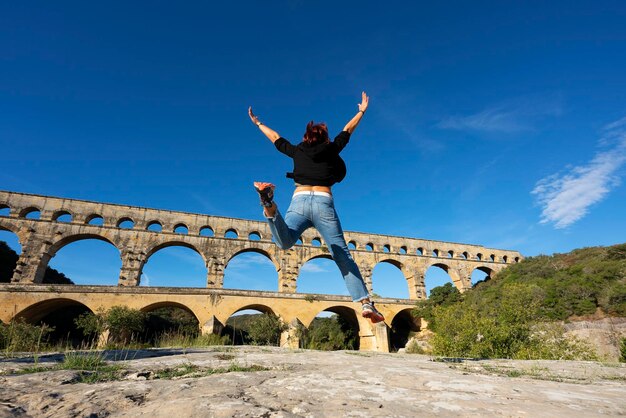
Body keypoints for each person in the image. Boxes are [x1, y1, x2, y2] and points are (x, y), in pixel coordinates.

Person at [248, 92, 384, 324]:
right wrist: (361, 111)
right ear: (324, 138)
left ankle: (269, 204)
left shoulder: (298, 150)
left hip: (299, 201)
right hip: (323, 202)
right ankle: (365, 303)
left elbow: (276, 139)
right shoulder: (331, 149)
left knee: (284, 242)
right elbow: (348, 131)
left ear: (306, 137)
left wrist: (258, 123)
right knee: (342, 254)